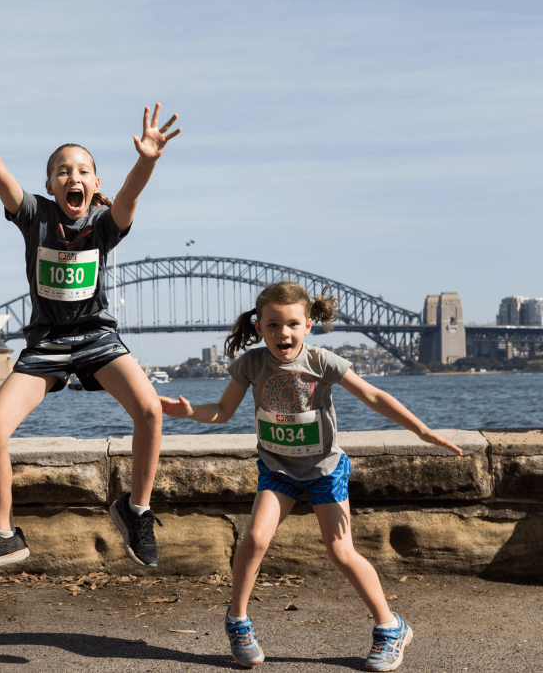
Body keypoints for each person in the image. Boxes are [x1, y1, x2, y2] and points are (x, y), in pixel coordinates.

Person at [0, 80, 180, 573]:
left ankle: (137, 510)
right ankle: (3, 535)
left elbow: (128, 195)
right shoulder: (34, 216)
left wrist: (148, 157)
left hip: (97, 337)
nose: (73, 176)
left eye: (83, 170)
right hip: (46, 344)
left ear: (93, 184)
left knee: (149, 410)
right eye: (63, 170)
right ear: (50, 186)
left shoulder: (104, 223)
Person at [159, 281, 462, 671]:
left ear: (307, 326)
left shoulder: (322, 361)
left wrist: (421, 430)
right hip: (278, 469)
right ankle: (238, 621)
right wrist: (189, 414)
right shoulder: (251, 364)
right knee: (254, 538)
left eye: (291, 324)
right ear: (259, 328)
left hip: (324, 470)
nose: (282, 333)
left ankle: (391, 627)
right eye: (272, 325)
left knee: (341, 551)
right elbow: (221, 410)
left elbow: (372, 396)